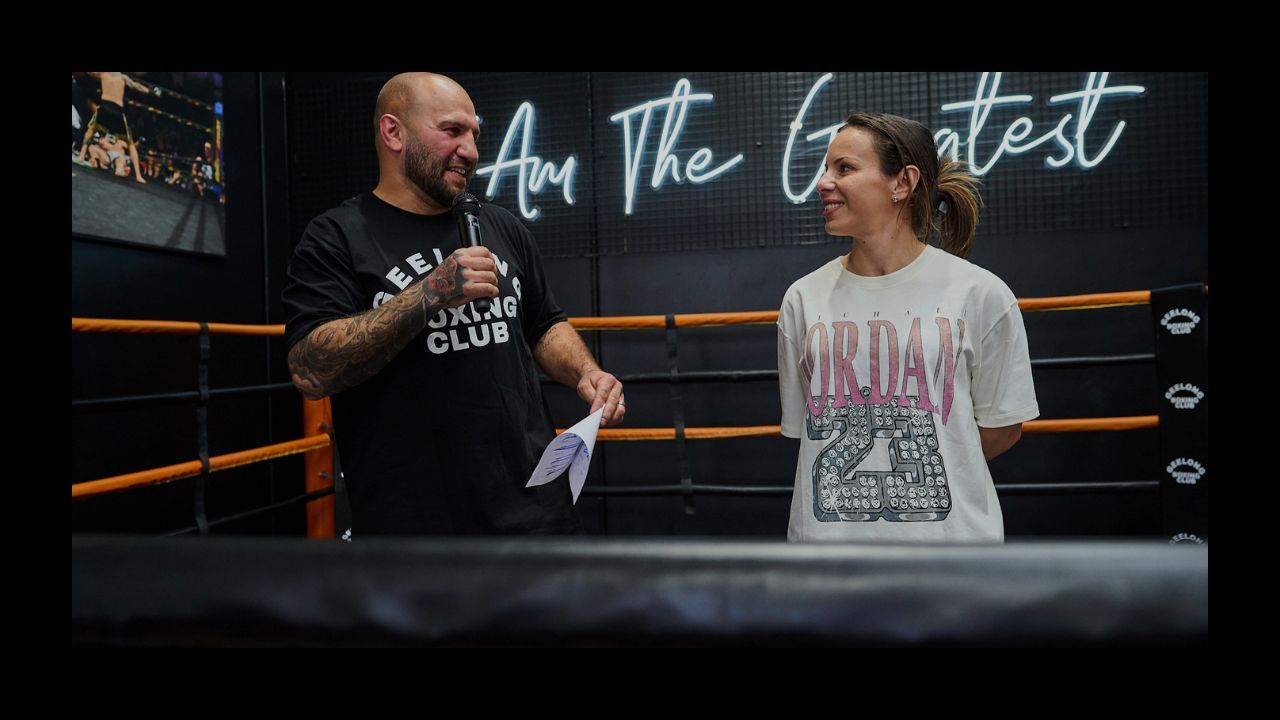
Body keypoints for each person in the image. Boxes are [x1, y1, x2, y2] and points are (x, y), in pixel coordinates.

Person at [283, 73, 625, 536]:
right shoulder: (337, 236)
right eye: (452, 131)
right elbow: (310, 370)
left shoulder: (501, 226)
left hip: (535, 510)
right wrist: (430, 293)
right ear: (394, 133)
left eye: (474, 134)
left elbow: (544, 324)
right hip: (417, 527)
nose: (471, 150)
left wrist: (585, 372)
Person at [777, 112, 1039, 543]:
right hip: (827, 558)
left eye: (844, 168)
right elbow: (807, 431)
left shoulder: (981, 293)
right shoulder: (802, 299)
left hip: (951, 554)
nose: (823, 183)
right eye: (826, 169)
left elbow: (1003, 427)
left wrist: (936, 459)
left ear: (902, 182)